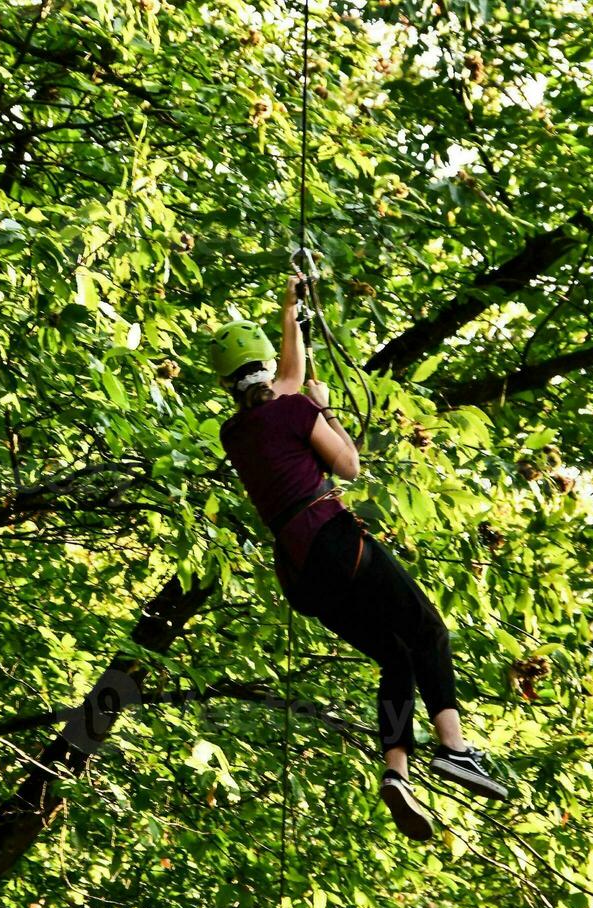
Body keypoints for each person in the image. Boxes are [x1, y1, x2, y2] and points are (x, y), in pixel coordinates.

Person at [211, 276, 508, 841]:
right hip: (334, 540)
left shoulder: (238, 430)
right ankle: (455, 749)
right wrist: (327, 413)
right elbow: (347, 465)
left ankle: (396, 773)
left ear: (228, 382)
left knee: (395, 657)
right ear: (264, 368)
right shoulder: (296, 410)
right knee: (429, 632)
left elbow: (288, 382)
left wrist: (291, 311)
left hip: (301, 573)